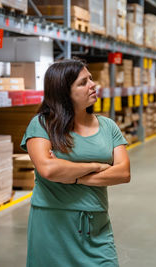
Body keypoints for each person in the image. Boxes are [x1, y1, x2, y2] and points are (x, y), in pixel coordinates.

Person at [20, 59, 131, 266]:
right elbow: (48, 169)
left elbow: (123, 173)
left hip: (95, 223)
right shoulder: (43, 125)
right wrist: (96, 166)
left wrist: (73, 176)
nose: (92, 84)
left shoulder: (108, 126)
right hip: (52, 223)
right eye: (83, 82)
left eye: (90, 78)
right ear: (64, 92)